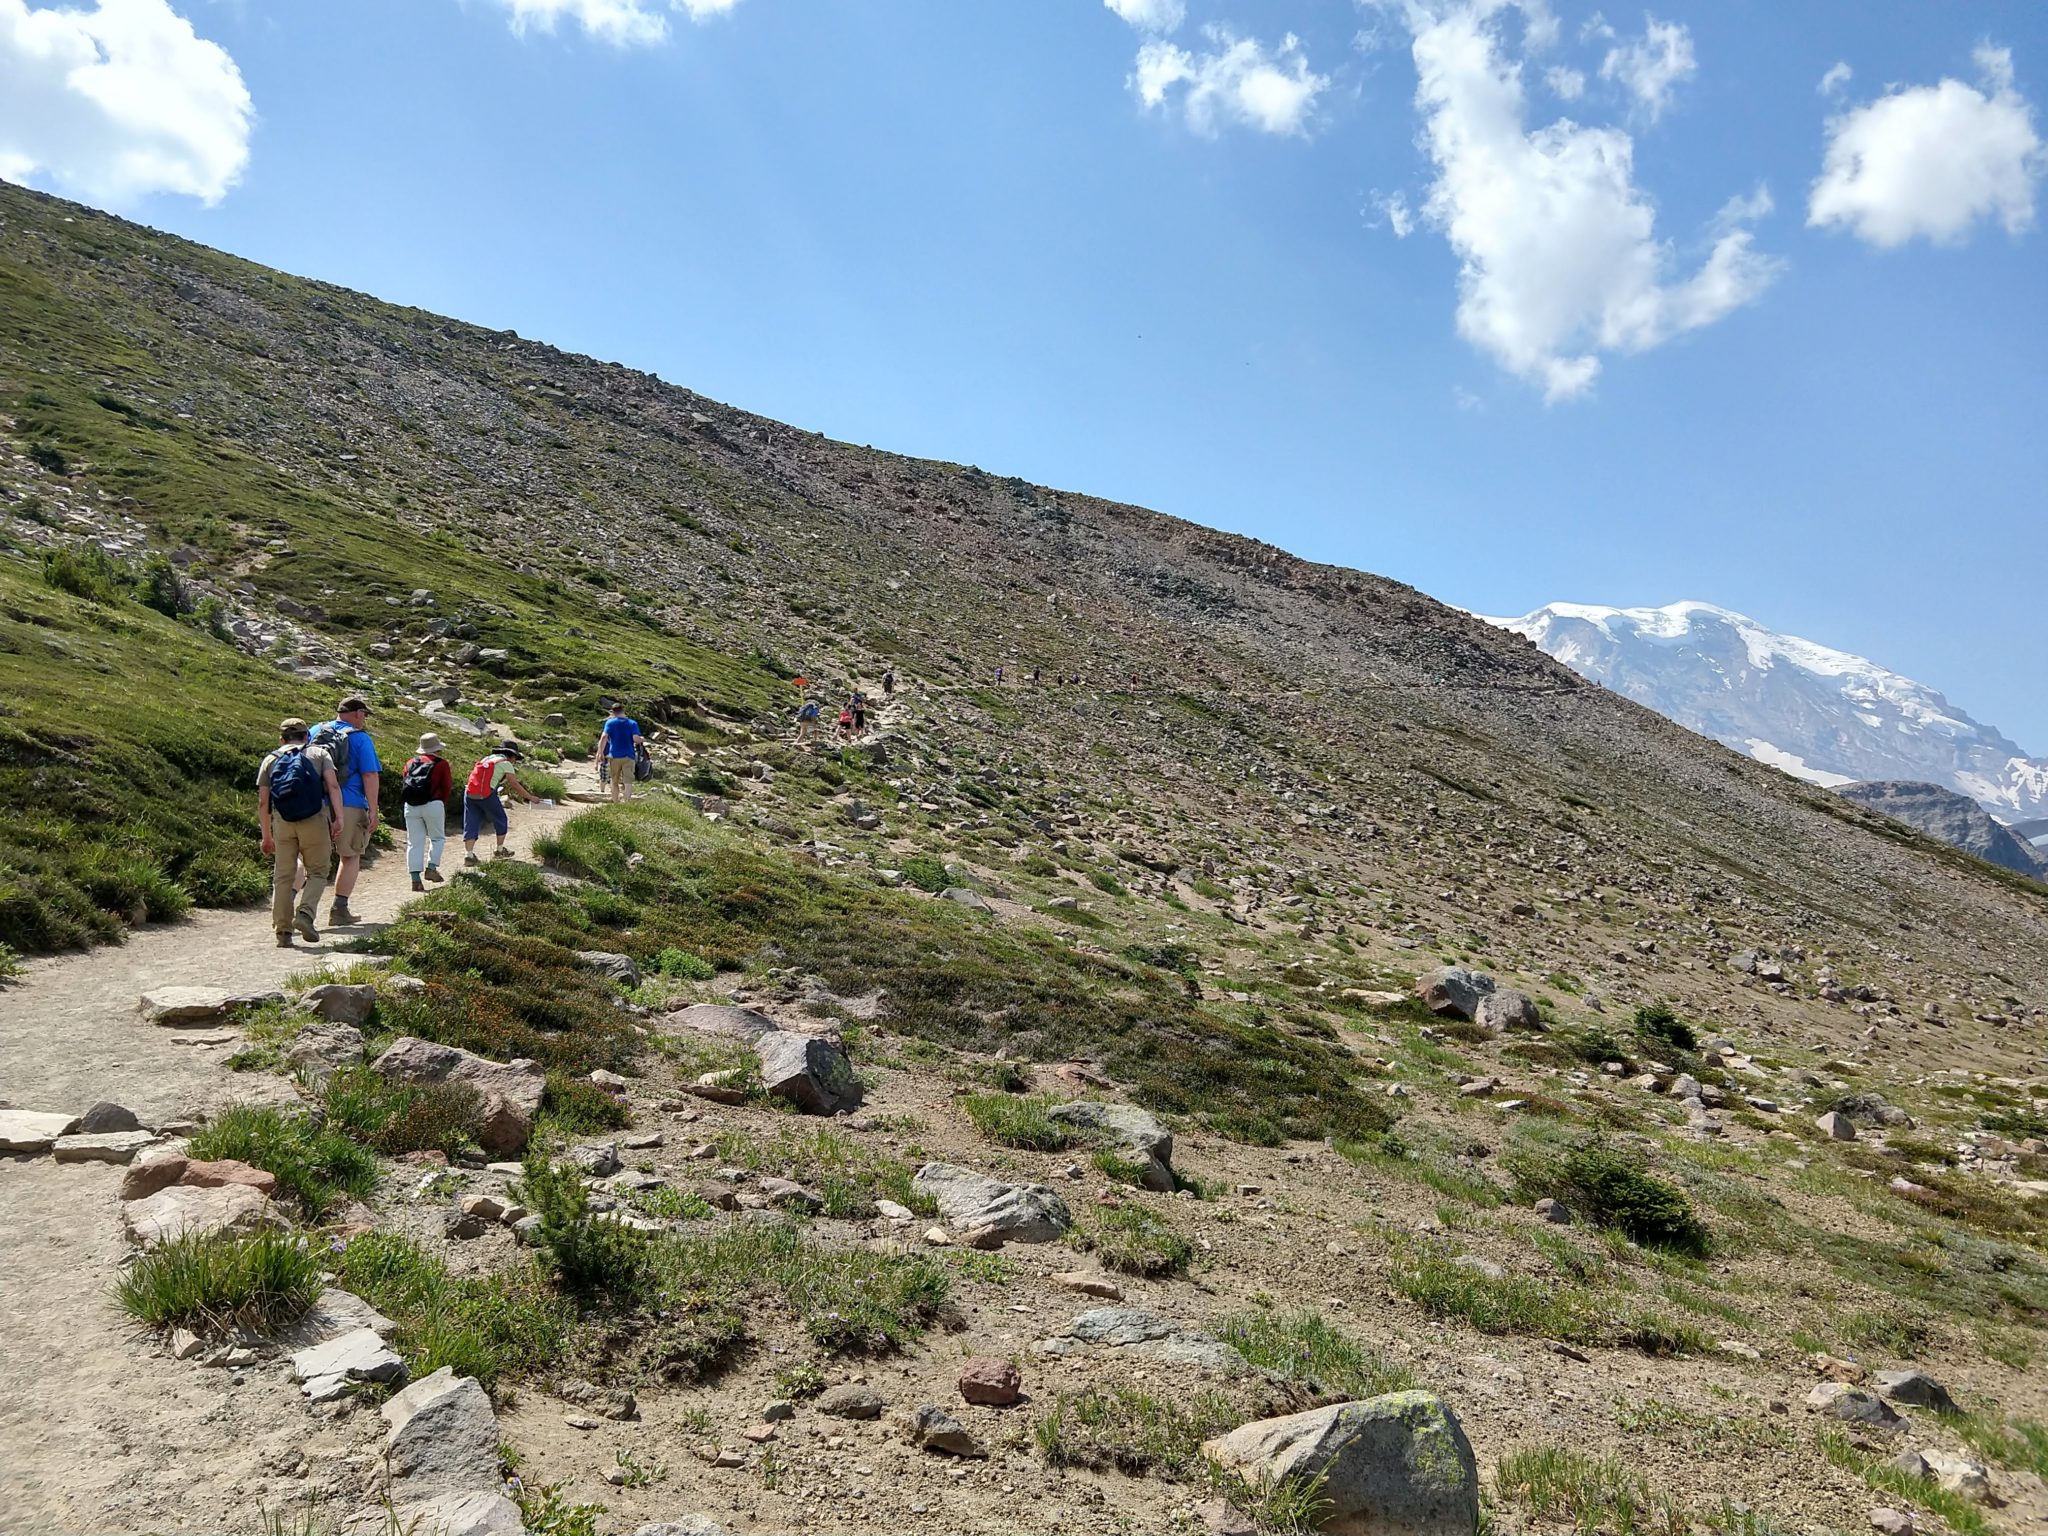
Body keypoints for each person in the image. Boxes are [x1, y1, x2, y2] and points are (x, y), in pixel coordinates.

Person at [256, 718, 344, 948]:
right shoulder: (319, 753)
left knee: (283, 876)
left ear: (281, 738)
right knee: (317, 872)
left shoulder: (270, 759)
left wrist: (266, 835)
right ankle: (304, 914)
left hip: (283, 821)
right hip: (315, 819)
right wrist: (339, 818)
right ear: (307, 736)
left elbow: (263, 801)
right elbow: (333, 786)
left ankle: (283, 932)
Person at [308, 696, 380, 927]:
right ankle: (339, 909)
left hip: (315, 802)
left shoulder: (315, 730)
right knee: (350, 855)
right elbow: (370, 774)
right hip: (349, 802)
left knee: (304, 857)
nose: (365, 719)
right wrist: (374, 810)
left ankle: (290, 908)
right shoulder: (360, 738)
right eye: (364, 714)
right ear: (358, 713)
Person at [462, 741, 539, 863]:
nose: (515, 761)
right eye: (515, 758)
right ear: (512, 755)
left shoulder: (487, 759)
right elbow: (514, 784)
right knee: (501, 819)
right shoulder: (506, 764)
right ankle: (499, 850)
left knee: (471, 822)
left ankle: (469, 855)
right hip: (487, 794)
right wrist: (530, 797)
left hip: (470, 793)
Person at [399, 732, 454, 892]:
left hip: (411, 805)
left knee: (414, 842)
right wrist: (440, 802)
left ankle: (415, 879)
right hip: (433, 803)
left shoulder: (410, 763)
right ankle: (431, 867)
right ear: (437, 748)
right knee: (437, 838)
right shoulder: (441, 763)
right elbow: (447, 786)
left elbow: (405, 781)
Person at [591, 702, 645, 804]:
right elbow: (636, 739)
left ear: (613, 712)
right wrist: (642, 739)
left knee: (614, 780)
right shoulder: (632, 723)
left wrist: (600, 752)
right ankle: (627, 803)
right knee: (628, 781)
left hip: (614, 755)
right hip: (629, 756)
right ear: (623, 711)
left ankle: (615, 801)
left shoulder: (610, 723)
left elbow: (603, 737)